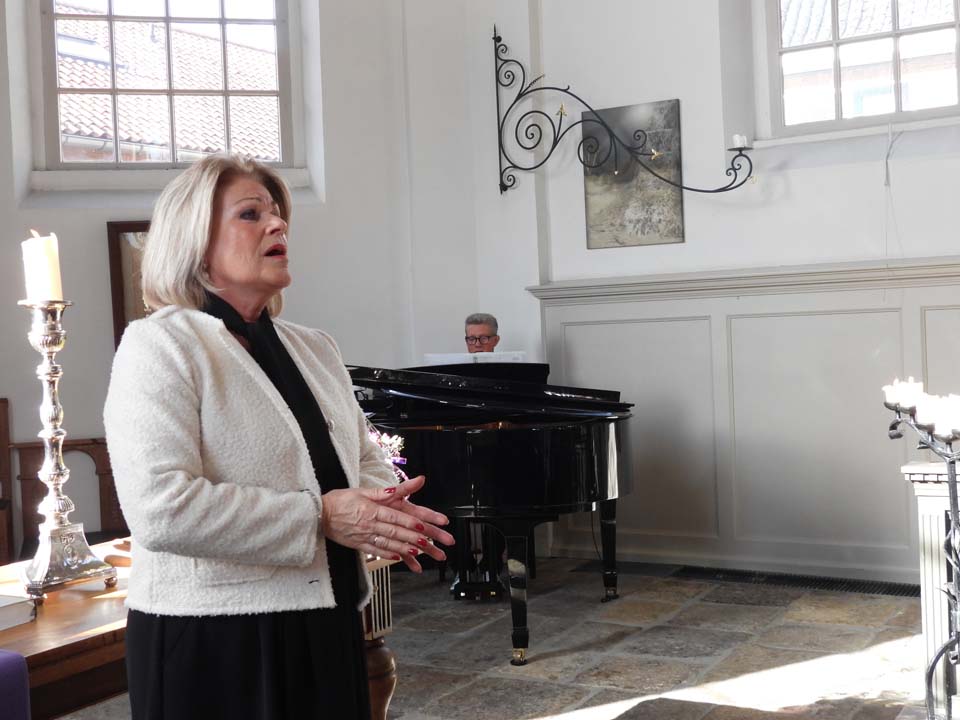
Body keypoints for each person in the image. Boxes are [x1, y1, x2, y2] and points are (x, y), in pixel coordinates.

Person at [103, 154, 455, 720]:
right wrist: (320, 516)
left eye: (277, 213)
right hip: (215, 638)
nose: (277, 224)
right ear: (196, 242)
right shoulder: (159, 346)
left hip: (328, 622)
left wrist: (384, 510)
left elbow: (363, 457)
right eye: (251, 214)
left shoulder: (314, 347)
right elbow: (160, 509)